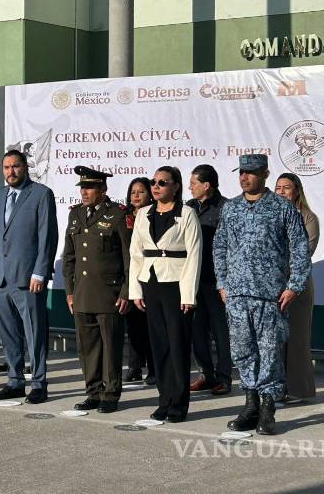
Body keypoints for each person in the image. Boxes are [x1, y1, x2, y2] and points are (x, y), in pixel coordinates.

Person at [214, 155, 310, 435]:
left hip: (270, 296)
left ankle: (268, 409)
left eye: (252, 172)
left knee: (269, 353)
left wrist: (294, 285)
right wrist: (222, 282)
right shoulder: (230, 209)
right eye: (242, 172)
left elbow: (300, 248)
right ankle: (250, 404)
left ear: (265, 174)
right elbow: (220, 247)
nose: (245, 177)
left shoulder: (282, 208)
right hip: (237, 295)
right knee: (243, 351)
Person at [0, 150, 58, 404]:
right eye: (6, 167)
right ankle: (14, 381)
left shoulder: (40, 194)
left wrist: (40, 272)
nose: (10, 172)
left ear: (25, 168)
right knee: (8, 333)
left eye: (15, 167)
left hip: (28, 278)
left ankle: (39, 384)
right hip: (1, 279)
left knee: (35, 333)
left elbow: (47, 236)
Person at [129, 166, 202, 423]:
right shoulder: (143, 214)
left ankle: (179, 405)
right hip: (151, 282)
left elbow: (194, 255)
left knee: (178, 346)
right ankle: (164, 400)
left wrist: (188, 295)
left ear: (176, 186)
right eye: (154, 181)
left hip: (176, 285)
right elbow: (136, 253)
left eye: (163, 182)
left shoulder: (187, 214)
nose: (156, 186)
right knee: (159, 346)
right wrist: (135, 290)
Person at [63, 167, 131, 413]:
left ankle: (110, 394)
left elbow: (129, 258)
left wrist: (126, 292)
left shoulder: (118, 215)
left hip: (109, 294)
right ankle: (93, 391)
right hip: (82, 294)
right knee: (88, 347)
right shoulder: (76, 215)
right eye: (82, 188)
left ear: (103, 189)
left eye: (89, 187)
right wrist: (70, 291)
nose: (84, 192)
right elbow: (69, 257)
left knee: (110, 348)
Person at [187, 164, 233, 396]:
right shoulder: (188, 207)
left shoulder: (227, 208)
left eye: (193, 183)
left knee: (220, 330)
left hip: (216, 280)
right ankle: (206, 374)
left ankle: (224, 377)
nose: (190, 187)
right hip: (193, 279)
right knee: (197, 330)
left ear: (207, 185)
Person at [275, 172, 320, 402]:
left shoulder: (308, 218)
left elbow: (304, 252)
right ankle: (276, 388)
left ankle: (298, 390)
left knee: (297, 341)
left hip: (297, 287)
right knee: (274, 341)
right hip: (272, 286)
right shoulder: (269, 215)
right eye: (278, 187)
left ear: (297, 191)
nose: (281, 191)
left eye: (287, 187)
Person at [123, 177, 156, 386]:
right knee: (133, 325)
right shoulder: (122, 217)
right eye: (133, 192)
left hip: (150, 275)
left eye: (141, 191)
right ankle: (134, 366)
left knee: (150, 327)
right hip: (129, 276)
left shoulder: (155, 215)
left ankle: (153, 369)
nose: (136, 195)